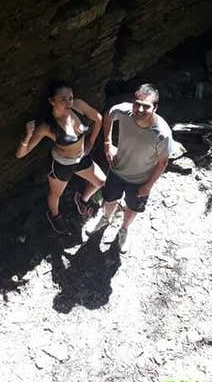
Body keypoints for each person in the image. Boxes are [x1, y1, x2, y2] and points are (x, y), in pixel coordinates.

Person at [88, 84, 173, 253]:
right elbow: (108, 115)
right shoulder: (123, 111)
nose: (140, 109)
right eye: (137, 103)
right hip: (117, 169)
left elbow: (162, 163)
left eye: (146, 106)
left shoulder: (162, 134)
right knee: (110, 198)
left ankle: (124, 229)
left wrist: (148, 186)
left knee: (132, 207)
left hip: (140, 179)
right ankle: (105, 218)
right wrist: (107, 143)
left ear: (155, 108)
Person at [16, 80, 106, 234]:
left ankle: (82, 200)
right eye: (62, 99)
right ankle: (55, 216)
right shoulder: (48, 126)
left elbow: (98, 118)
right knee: (56, 194)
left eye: (70, 98)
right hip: (61, 164)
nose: (68, 103)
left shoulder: (78, 106)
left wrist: (90, 143)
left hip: (81, 157)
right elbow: (20, 154)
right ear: (52, 101)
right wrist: (27, 137)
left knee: (101, 181)